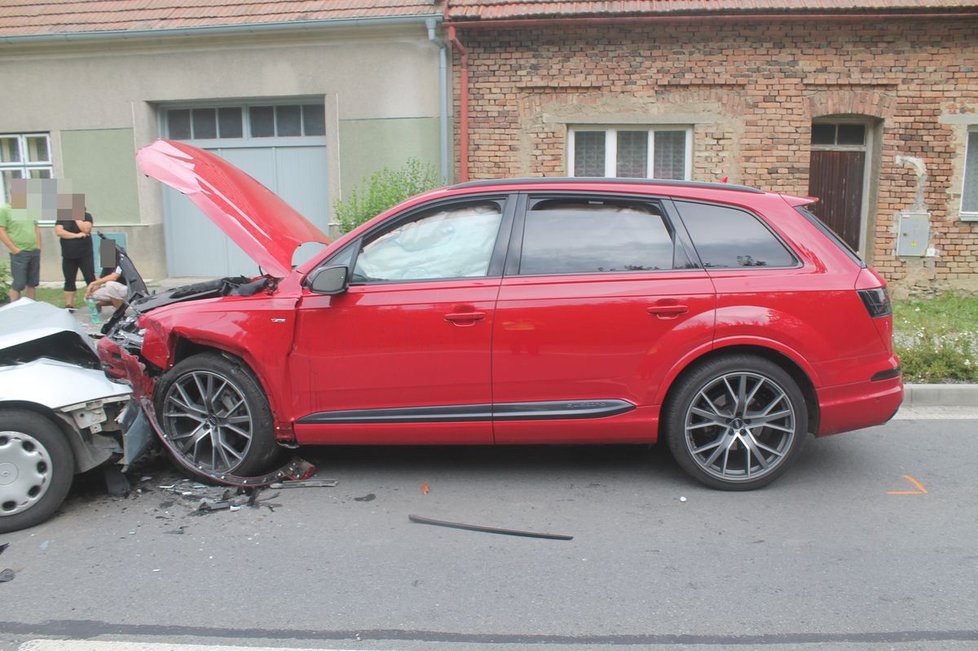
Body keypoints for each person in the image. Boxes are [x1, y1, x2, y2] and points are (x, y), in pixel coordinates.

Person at [54, 192, 95, 310]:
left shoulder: (86, 216)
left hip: (85, 254)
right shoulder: (62, 217)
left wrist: (77, 218)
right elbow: (59, 232)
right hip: (68, 255)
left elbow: (86, 229)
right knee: (69, 279)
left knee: (89, 277)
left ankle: (95, 302)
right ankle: (69, 304)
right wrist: (76, 236)